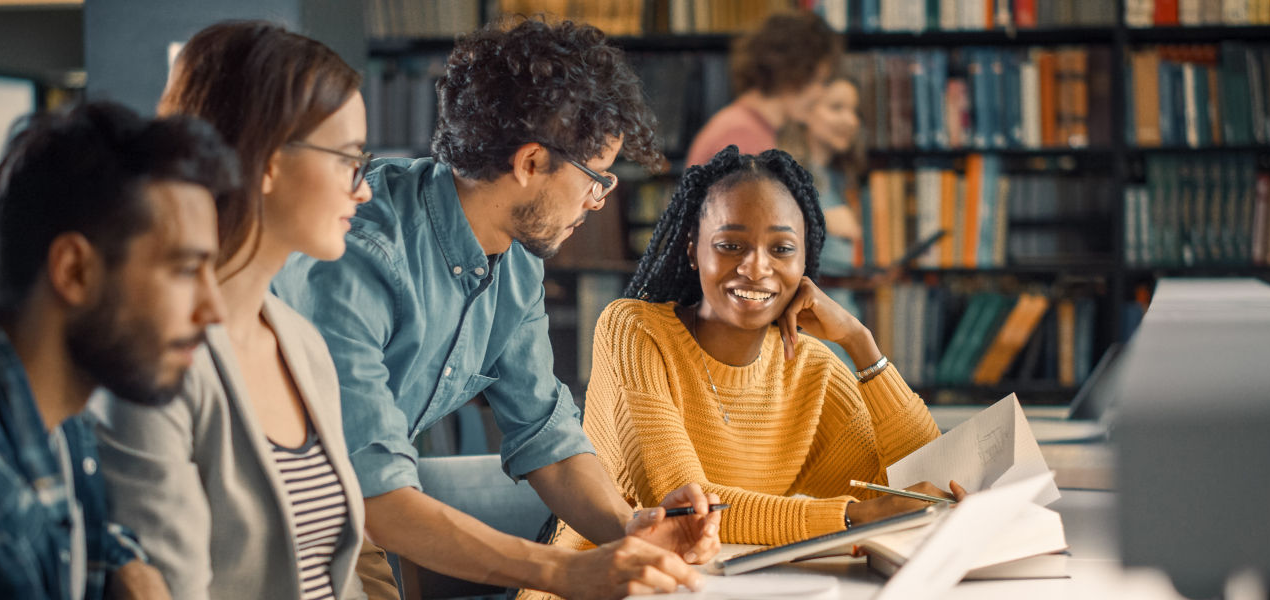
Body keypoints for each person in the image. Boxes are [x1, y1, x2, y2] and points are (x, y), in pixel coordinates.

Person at [272, 18, 720, 599]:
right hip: (267, 516)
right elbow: (376, 495)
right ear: (530, 163)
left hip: (355, 514)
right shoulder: (359, 255)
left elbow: (545, 435)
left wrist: (632, 532)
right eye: (596, 178)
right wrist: (563, 571)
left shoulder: (516, 260)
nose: (596, 201)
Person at [549, 146, 964, 552]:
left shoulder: (811, 368)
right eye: (731, 245)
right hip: (599, 577)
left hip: (726, 580)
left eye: (781, 249)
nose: (756, 268)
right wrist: (855, 517)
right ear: (693, 249)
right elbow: (686, 506)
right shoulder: (635, 331)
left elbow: (921, 485)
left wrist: (860, 341)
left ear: (804, 261)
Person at [92, 22, 372, 600]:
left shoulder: (303, 343)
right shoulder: (154, 362)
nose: (362, 189)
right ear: (267, 161)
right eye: (349, 159)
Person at [0, 101, 234, 599]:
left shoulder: (55, 406)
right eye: (187, 270)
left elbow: (83, 532)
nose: (215, 311)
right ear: (75, 271)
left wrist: (124, 561)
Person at [778, 74, 869, 367]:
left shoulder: (841, 178)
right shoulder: (786, 174)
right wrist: (824, 220)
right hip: (808, 325)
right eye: (836, 108)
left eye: (854, 111)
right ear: (805, 112)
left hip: (842, 309)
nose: (850, 121)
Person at [684, 11, 842, 167]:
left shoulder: (748, 128)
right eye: (818, 81)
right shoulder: (741, 135)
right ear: (792, 72)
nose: (821, 93)